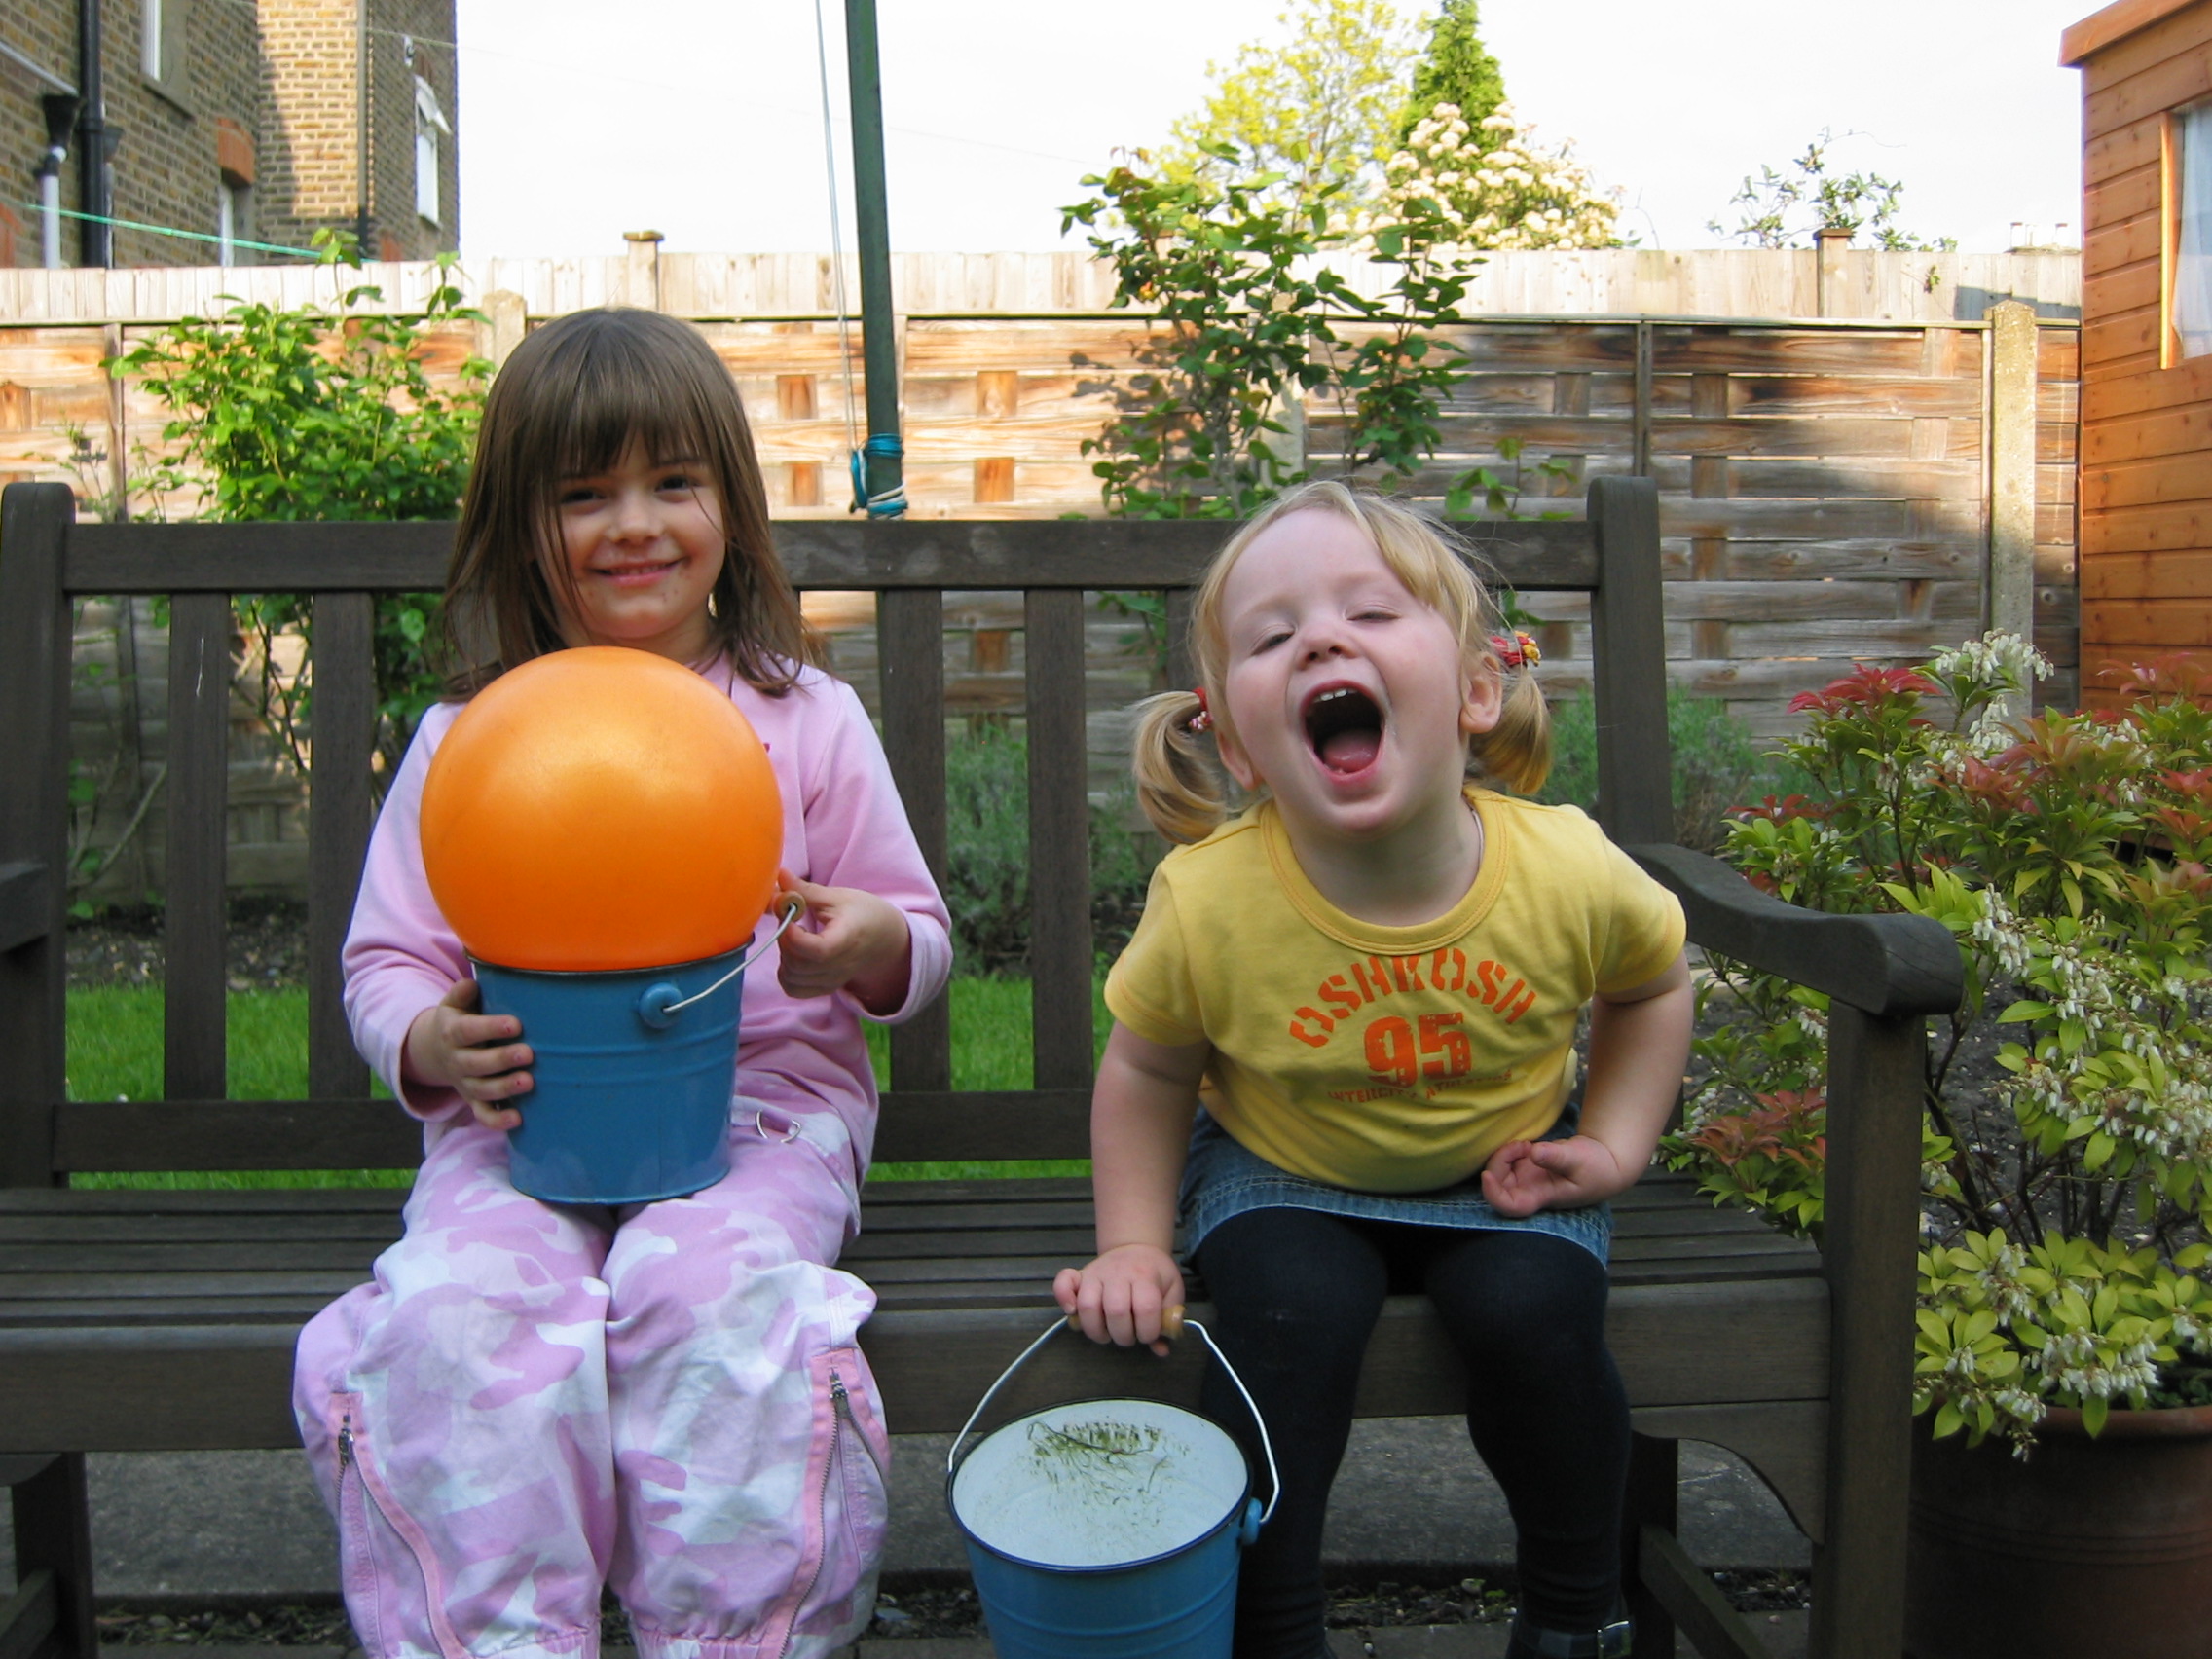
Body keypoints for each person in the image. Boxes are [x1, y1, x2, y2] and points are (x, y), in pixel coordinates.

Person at [293, 308, 951, 1659]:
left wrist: (867, 941)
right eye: (583, 494)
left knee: (700, 1292)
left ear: (731, 506)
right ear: (520, 527)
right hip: (519, 1128)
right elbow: (388, 957)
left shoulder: (803, 717)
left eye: (673, 482)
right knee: (462, 1313)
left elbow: (918, 934)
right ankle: (496, 1640)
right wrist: (427, 1040)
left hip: (762, 1121)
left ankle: (733, 1638)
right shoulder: (474, 738)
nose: (633, 525)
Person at [1053, 480, 1691, 1659]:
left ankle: (1574, 1612)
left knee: (1537, 1318)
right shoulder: (1212, 899)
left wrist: (1610, 1144)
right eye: (1272, 636)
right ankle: (1271, 1628)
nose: (1321, 640)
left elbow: (1651, 986)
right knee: (1285, 1318)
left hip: (1503, 1175)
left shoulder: (1563, 870)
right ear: (1235, 744)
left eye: (1372, 613)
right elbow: (1147, 1072)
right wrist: (1134, 1243)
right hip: (1286, 1174)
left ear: (1477, 690)